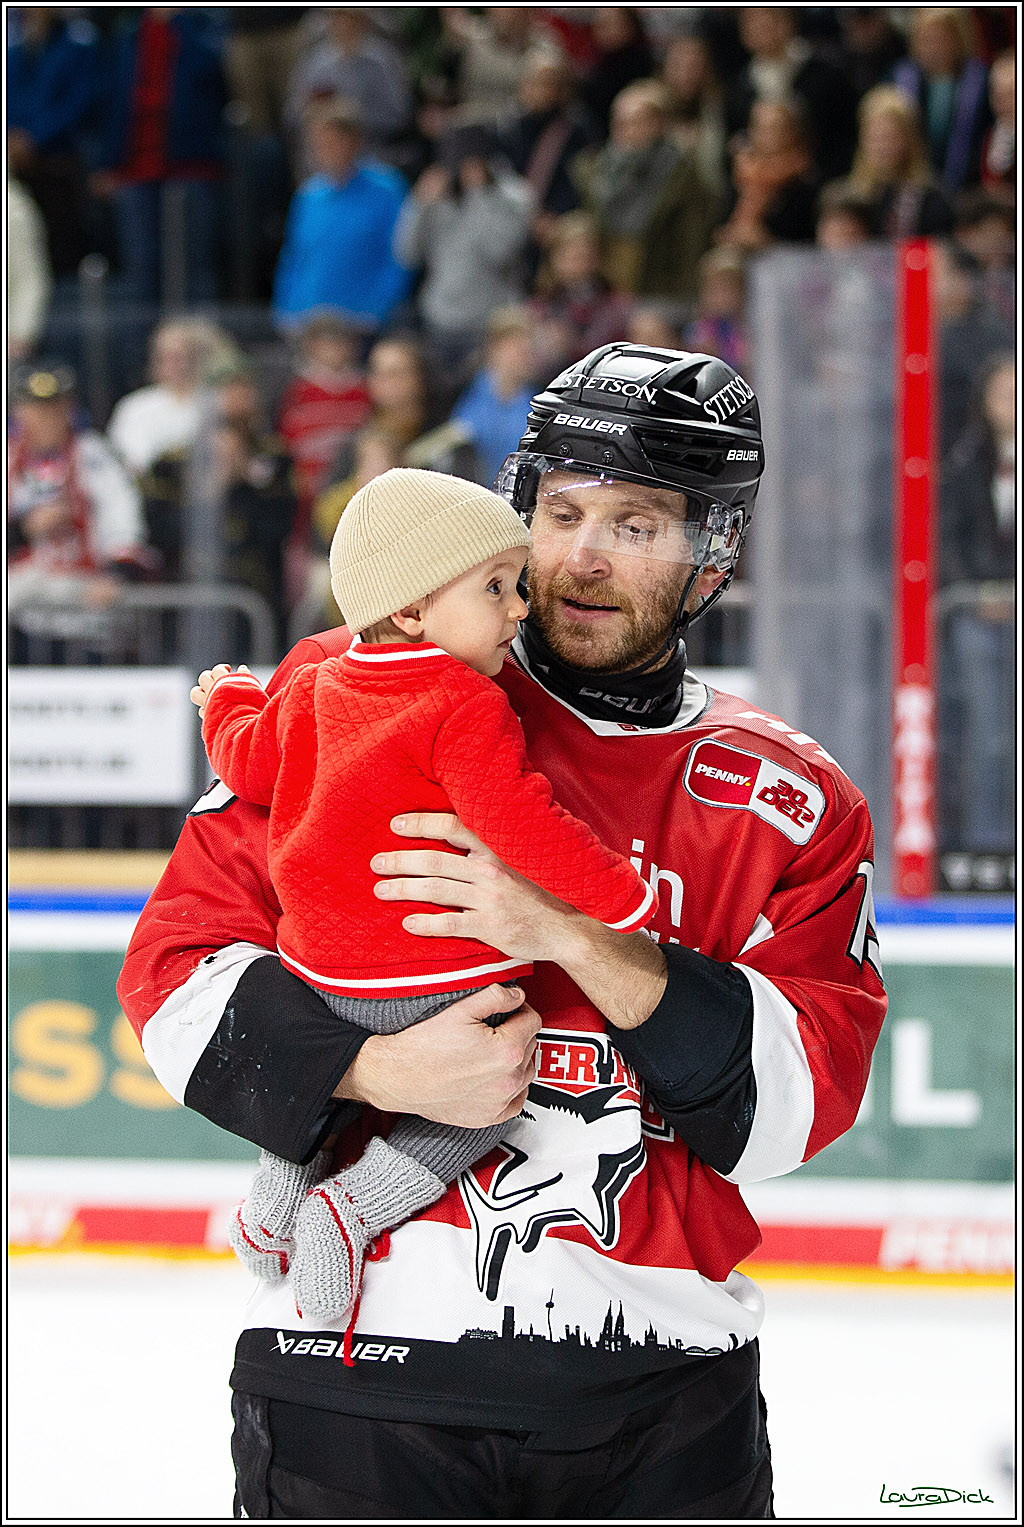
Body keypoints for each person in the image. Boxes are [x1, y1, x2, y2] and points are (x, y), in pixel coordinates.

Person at [118, 344, 887, 1519]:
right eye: (560, 513)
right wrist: (373, 1063)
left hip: (661, 1396)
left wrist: (576, 933)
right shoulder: (349, 688)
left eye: (636, 524)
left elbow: (792, 1108)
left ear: (713, 554)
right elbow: (174, 970)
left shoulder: (787, 798)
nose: (579, 557)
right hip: (361, 1386)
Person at [191, 466, 656, 1337]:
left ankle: (276, 1193)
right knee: (490, 1099)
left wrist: (226, 699)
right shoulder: (464, 702)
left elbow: (245, 763)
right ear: (410, 611)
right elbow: (523, 825)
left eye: (515, 585)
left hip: (318, 975)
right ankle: (351, 1210)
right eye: (493, 588)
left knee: (323, 1087)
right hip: (437, 976)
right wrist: (618, 899)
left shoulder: (311, 688)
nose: (519, 607)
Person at [8, 363, 151, 659]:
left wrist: (117, 573)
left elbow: (123, 518)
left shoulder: (95, 455)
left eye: (54, 409)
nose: (46, 418)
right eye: (36, 409)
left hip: (83, 602)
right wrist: (23, 529)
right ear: (19, 412)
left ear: (69, 409)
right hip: (19, 610)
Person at [272, 97, 412, 335]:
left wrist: (378, 309)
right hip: (310, 325)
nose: (326, 151)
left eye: (334, 142)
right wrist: (285, 309)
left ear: (356, 141)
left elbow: (402, 257)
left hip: (364, 324)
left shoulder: (387, 189)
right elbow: (294, 258)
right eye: (319, 144)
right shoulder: (308, 196)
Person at [107, 318, 239, 478]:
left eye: (179, 356)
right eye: (163, 356)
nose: (171, 365)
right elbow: (124, 466)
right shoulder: (133, 407)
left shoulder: (218, 403)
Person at [841, 85, 954, 239]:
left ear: (909, 139)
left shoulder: (931, 199)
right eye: (875, 137)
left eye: (890, 137)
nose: (882, 147)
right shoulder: (850, 198)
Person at [450, 307, 540, 486]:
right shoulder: (460, 391)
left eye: (528, 348)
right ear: (495, 348)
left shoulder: (536, 405)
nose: (525, 354)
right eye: (517, 347)